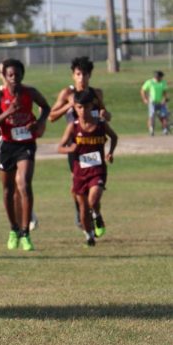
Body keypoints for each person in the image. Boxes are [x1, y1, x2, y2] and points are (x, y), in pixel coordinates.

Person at [0, 58, 50, 251]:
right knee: (8, 190)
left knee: (25, 183)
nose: (14, 78)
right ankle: (13, 229)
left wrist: (39, 122)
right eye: (10, 75)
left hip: (25, 144)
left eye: (17, 75)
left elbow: (46, 107)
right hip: (7, 145)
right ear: (5, 76)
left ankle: (26, 233)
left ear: (22, 75)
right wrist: (7, 112)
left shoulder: (30, 92)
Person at [48, 56, 111, 229]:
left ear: (90, 75)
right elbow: (51, 117)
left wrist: (106, 115)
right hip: (75, 146)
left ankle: (94, 212)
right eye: (78, 74)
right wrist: (68, 106)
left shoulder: (96, 94)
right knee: (75, 186)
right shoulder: (67, 94)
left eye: (85, 74)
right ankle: (81, 214)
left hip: (94, 144)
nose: (81, 78)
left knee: (95, 183)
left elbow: (106, 114)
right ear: (73, 76)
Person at [57, 88, 118, 246]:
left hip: (97, 170)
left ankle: (96, 214)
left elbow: (114, 137)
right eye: (79, 107)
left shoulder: (100, 124)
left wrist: (110, 152)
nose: (83, 111)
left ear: (92, 106)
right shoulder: (73, 127)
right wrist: (70, 149)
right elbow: (60, 147)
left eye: (86, 107)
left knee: (93, 199)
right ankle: (89, 235)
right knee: (83, 208)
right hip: (79, 172)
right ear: (75, 108)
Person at [140, 71, 169, 136]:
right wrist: (145, 99)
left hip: (161, 102)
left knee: (164, 115)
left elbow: (164, 92)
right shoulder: (150, 82)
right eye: (160, 77)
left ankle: (165, 129)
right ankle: (151, 130)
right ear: (157, 77)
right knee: (152, 116)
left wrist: (164, 99)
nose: (161, 78)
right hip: (152, 102)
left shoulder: (163, 82)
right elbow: (143, 90)